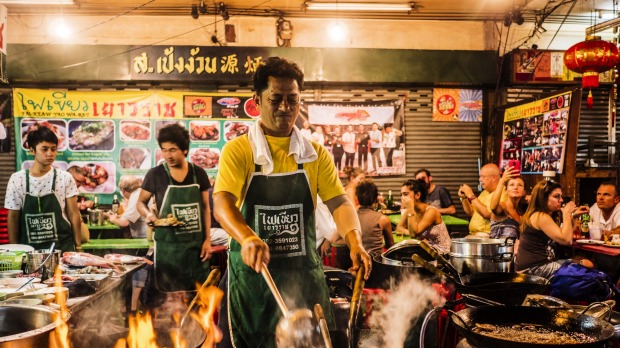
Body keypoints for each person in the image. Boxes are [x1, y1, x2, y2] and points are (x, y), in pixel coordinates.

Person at [213, 56, 371, 348]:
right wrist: (247, 237)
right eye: (276, 99)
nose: (285, 107)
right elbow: (222, 203)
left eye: (292, 99)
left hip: (302, 277)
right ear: (257, 101)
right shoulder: (239, 151)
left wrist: (355, 242)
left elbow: (340, 203)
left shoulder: (315, 154)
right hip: (254, 281)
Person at [137, 123, 212, 292]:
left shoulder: (198, 173)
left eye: (173, 150)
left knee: (196, 297)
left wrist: (207, 240)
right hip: (167, 249)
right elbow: (140, 203)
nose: (168, 155)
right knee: (166, 299)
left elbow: (206, 208)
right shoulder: (155, 174)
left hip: (195, 249)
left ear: (184, 150)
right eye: (164, 150)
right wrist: (149, 215)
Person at [5, 127, 82, 253]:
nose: (50, 154)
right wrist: (15, 250)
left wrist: (78, 247)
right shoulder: (17, 179)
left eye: (53, 149)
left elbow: (74, 214)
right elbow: (13, 216)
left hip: (62, 248)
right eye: (44, 149)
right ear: (32, 150)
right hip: (29, 251)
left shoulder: (65, 178)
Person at [514, 180, 588, 279]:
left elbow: (564, 235)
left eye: (561, 196)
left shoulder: (543, 215)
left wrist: (574, 217)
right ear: (543, 199)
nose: (561, 200)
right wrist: (566, 214)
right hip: (533, 269)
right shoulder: (540, 216)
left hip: (540, 266)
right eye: (556, 196)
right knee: (584, 272)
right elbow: (566, 240)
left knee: (586, 264)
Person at [397, 179, 451, 253]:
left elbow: (414, 234)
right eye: (401, 195)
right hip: (425, 249)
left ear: (417, 195)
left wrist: (409, 209)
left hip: (441, 253)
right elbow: (399, 228)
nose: (402, 198)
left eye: (405, 194)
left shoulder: (431, 211)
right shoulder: (410, 210)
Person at [458, 163, 502, 236]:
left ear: (493, 178)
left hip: (487, 236)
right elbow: (471, 212)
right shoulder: (484, 192)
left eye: (483, 177)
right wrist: (464, 198)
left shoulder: (501, 193)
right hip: (474, 235)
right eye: (480, 176)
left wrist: (471, 195)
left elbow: (488, 214)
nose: (480, 179)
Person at [355, 179, 394, 256]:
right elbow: (391, 247)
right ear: (376, 198)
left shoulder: (351, 217)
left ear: (357, 199)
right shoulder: (383, 219)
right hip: (376, 264)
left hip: (355, 262)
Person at [489, 166, 526, 240]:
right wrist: (502, 181)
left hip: (515, 251)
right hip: (498, 250)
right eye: (511, 185)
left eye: (520, 185)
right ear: (506, 191)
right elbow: (493, 207)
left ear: (524, 192)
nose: (515, 187)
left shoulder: (521, 212)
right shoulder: (502, 207)